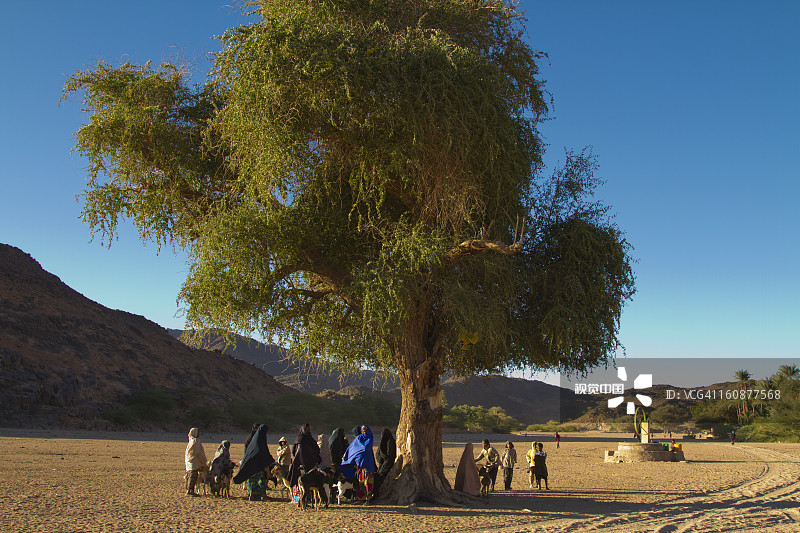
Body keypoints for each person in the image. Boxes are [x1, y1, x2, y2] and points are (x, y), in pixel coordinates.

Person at [232, 424, 276, 500]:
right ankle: (260, 494)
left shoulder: (256, 440)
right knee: (260, 479)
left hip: (252, 463)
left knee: (252, 478)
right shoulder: (259, 441)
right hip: (258, 464)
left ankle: (252, 494)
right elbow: (263, 452)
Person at [340, 425, 376, 500]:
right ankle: (362, 499)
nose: (364, 433)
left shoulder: (368, 438)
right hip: (361, 466)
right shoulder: (360, 439)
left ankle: (368, 499)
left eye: (365, 431)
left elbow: (362, 448)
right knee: (361, 483)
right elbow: (353, 449)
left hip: (367, 466)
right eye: (363, 431)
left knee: (368, 483)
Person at [287, 424, 321, 489]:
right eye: (306, 429)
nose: (307, 431)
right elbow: (316, 450)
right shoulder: (306, 439)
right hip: (306, 463)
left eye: (308, 429)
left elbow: (294, 451)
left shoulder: (301, 438)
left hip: (304, 463)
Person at [373, 427, 397, 499]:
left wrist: (384, 463)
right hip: (382, 464)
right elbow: (378, 454)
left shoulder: (390, 443)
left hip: (388, 465)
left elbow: (390, 456)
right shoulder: (383, 442)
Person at [184, 427, 208, 496]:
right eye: (198, 433)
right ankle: (190, 491)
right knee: (193, 476)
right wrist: (202, 460)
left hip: (189, 461)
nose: (199, 434)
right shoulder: (196, 441)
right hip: (194, 461)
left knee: (189, 475)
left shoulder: (190, 441)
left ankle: (189, 490)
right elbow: (197, 452)